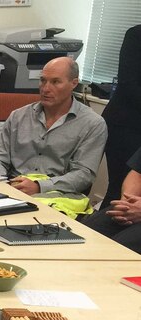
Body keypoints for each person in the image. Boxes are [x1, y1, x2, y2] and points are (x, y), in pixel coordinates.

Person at [0, 57, 107, 198]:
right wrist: (0, 183)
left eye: (55, 82)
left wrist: (39, 186)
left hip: (56, 195)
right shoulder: (19, 116)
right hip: (12, 187)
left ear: (74, 83)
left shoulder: (92, 124)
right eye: (43, 80)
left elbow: (83, 175)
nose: (46, 89)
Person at [100, 25, 141, 208]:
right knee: (120, 191)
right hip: (126, 124)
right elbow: (129, 85)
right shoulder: (136, 35)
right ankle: (100, 233)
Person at [84, 146, 141, 253]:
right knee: (84, 233)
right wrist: (126, 204)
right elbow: (137, 174)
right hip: (137, 204)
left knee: (119, 248)